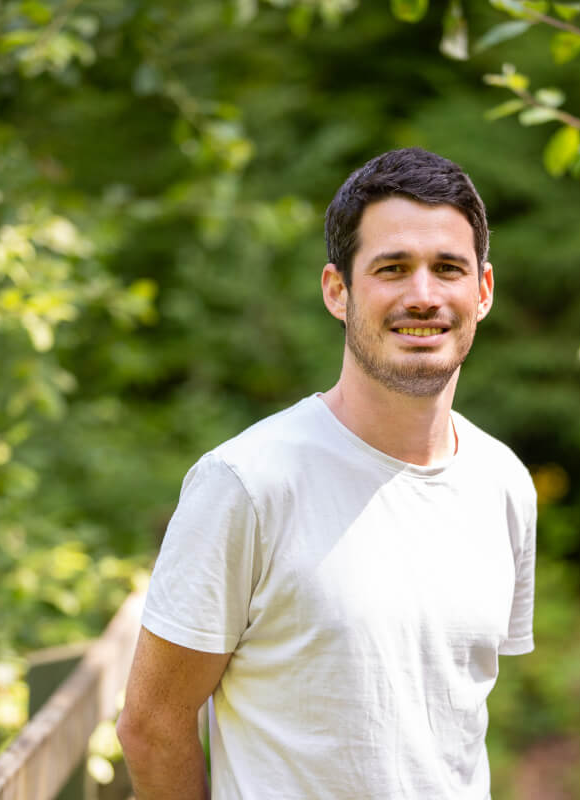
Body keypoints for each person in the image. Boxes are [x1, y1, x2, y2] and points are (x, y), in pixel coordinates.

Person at [116, 147, 537, 800]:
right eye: (392, 268)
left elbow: (444, 725)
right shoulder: (247, 483)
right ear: (338, 291)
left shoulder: (503, 483)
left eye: (447, 268)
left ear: (481, 291)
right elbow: (151, 726)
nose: (422, 295)